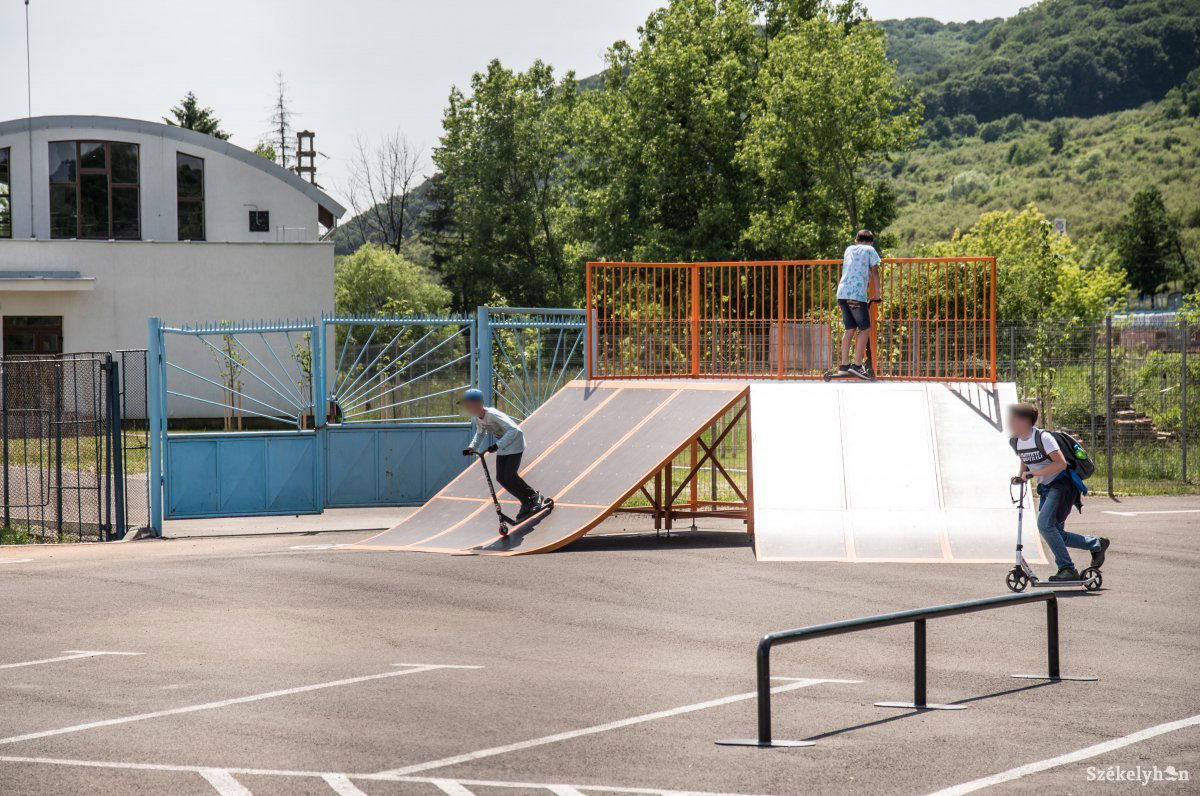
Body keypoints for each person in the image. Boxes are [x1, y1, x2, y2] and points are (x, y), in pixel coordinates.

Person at [1006, 402, 1109, 581]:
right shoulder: (1016, 441)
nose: (1009, 423)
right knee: (1056, 533)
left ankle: (1067, 569)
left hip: (1063, 485)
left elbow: (1060, 464)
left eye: (1012, 419)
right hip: (1046, 488)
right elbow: (1025, 458)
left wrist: (1034, 473)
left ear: (1024, 421)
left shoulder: (1044, 438)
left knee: (1045, 525)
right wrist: (1020, 476)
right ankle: (1097, 544)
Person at [459, 388, 547, 521]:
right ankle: (526, 501)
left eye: (468, 404)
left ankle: (534, 497)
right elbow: (481, 433)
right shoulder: (478, 418)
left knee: (510, 476)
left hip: (515, 445)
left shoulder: (492, 414)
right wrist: (472, 447)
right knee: (501, 477)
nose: (466, 407)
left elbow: (514, 430)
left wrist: (497, 445)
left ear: (477, 403)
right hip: (503, 446)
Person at [835, 229, 882, 380]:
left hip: (842, 294)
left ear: (856, 240)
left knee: (849, 329)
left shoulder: (849, 249)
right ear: (871, 242)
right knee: (865, 328)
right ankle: (856, 365)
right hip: (856, 295)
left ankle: (843, 366)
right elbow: (875, 271)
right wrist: (877, 294)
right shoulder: (870, 249)